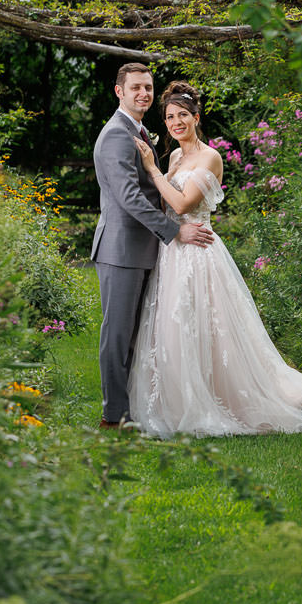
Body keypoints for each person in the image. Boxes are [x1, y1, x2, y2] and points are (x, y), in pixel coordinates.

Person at [128, 80, 302, 437]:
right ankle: (180, 401)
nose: (176, 122)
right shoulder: (174, 157)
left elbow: (183, 204)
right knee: (175, 328)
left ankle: (233, 401)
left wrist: (152, 170)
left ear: (196, 117)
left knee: (210, 330)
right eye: (170, 117)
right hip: (173, 254)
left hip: (199, 254)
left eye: (183, 115)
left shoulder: (210, 157)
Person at [91, 63, 213, 427]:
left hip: (144, 249)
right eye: (135, 88)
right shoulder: (117, 134)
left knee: (134, 335)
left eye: (147, 87)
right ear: (119, 92)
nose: (143, 93)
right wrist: (175, 231)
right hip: (122, 249)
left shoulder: (140, 132)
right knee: (117, 334)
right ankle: (114, 415)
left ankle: (134, 408)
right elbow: (129, 197)